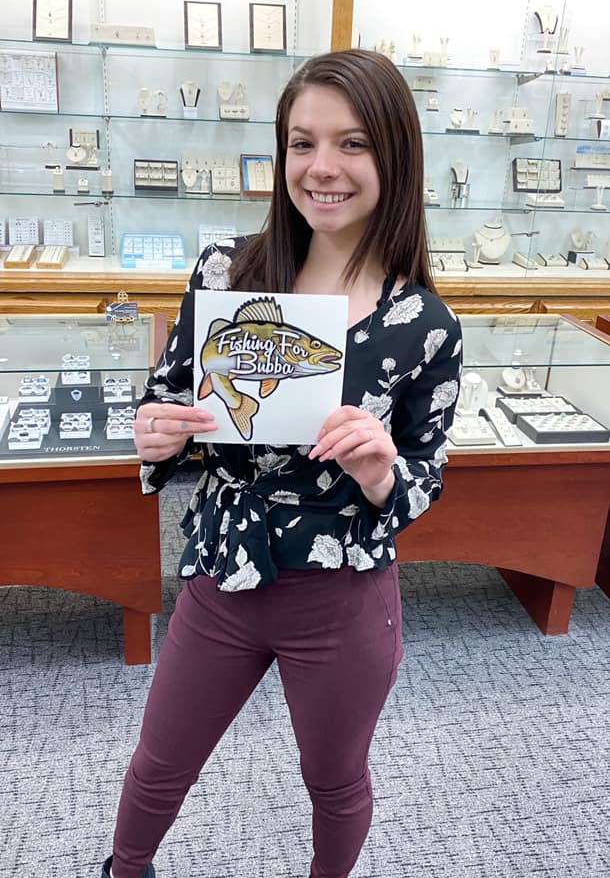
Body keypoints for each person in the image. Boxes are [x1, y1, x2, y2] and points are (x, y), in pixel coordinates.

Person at [101, 49, 462, 878]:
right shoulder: (226, 271)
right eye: (303, 143)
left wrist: (380, 471)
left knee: (334, 780)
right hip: (224, 572)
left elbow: (423, 477)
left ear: (395, 157)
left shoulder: (424, 325)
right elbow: (169, 398)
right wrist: (156, 432)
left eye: (352, 143)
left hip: (343, 595)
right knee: (160, 762)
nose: (322, 167)